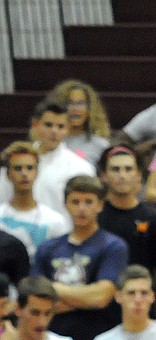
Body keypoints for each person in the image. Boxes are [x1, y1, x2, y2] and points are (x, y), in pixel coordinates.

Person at [32, 174, 127, 340]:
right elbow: (37, 299)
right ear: (65, 205)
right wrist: (84, 297)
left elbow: (101, 297)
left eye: (88, 202)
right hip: (53, 338)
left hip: (96, 338)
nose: (82, 208)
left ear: (100, 205)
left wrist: (53, 288)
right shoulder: (47, 248)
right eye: (75, 202)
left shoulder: (113, 246)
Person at [98, 145, 156, 326]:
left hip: (142, 310)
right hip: (100, 314)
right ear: (103, 175)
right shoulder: (95, 217)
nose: (122, 175)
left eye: (128, 169)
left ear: (139, 175)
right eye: (115, 169)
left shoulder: (154, 219)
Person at [0, 100, 95, 228]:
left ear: (68, 129)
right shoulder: (16, 161)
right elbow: (3, 198)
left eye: (60, 126)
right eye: (48, 125)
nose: (54, 131)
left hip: (61, 235)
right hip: (14, 232)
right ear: (35, 124)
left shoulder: (81, 168)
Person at [0, 141, 67, 259]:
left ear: (37, 172)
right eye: (18, 168)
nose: (24, 173)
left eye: (29, 168)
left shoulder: (55, 221)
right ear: (8, 174)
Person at [48, 79, 111, 166]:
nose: (75, 109)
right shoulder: (48, 141)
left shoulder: (100, 145)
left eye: (81, 103)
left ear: (90, 108)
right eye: (70, 103)